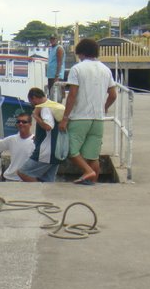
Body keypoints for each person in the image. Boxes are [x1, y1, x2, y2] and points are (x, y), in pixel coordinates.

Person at [59, 38, 117, 185]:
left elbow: (72, 95)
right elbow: (113, 95)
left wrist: (65, 118)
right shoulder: (105, 69)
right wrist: (104, 107)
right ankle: (92, 182)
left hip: (80, 117)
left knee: (71, 151)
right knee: (92, 156)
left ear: (81, 52)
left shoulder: (77, 69)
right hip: (98, 119)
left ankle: (88, 172)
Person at [17, 88, 61, 182]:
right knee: (48, 180)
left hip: (46, 152)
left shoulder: (44, 108)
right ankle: (45, 195)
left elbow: (48, 126)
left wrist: (36, 116)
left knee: (23, 173)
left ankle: (39, 191)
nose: (32, 105)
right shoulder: (52, 105)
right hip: (56, 150)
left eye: (31, 102)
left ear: (34, 98)